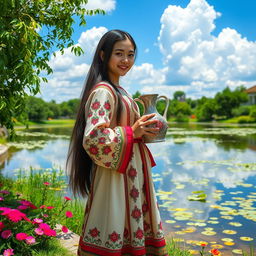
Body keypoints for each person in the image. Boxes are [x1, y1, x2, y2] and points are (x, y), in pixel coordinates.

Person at [67, 29, 167, 256]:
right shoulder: (104, 91)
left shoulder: (122, 91)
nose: (126, 60)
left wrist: (144, 130)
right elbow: (93, 139)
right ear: (103, 55)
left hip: (131, 172)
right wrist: (132, 131)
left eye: (131, 55)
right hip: (115, 176)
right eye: (119, 54)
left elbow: (128, 131)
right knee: (113, 222)